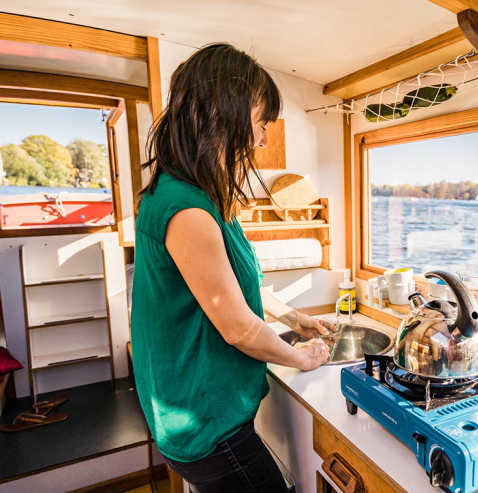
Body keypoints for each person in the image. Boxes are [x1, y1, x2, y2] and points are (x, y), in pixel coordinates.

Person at [131, 43, 333, 493]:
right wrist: (303, 357)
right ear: (224, 113)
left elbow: (235, 288)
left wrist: (294, 317)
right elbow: (239, 328)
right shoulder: (189, 210)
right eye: (261, 123)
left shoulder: (199, 194)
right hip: (203, 422)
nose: (262, 139)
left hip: (196, 409)